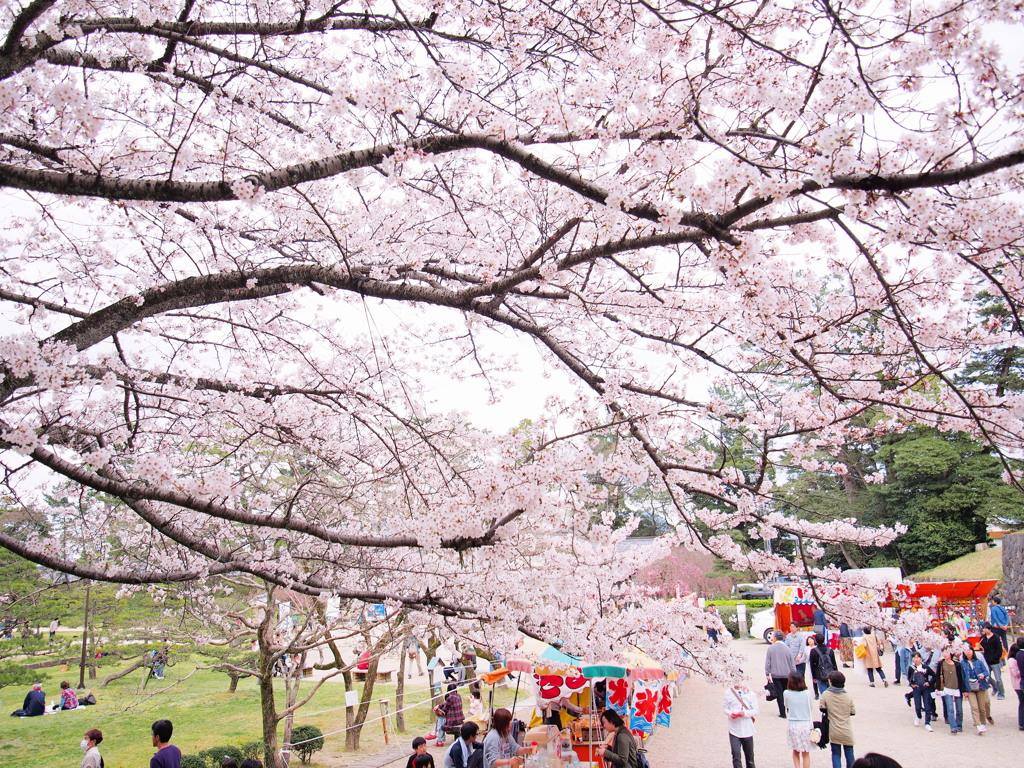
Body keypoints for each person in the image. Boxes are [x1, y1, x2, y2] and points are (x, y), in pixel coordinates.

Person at [820, 670, 856, 768]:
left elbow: (822, 708)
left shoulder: (826, 694)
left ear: (831, 682)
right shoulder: (848, 696)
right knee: (849, 753)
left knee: (836, 753)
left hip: (833, 728)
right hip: (846, 729)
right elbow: (852, 712)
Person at [723, 678, 758, 768]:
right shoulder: (728, 693)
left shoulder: (749, 693)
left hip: (747, 728)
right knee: (736, 755)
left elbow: (756, 710)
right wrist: (731, 714)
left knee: (749, 757)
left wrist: (745, 713)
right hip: (734, 728)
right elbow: (725, 708)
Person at [960, 644, 992, 734]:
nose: (968, 652)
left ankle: (983, 723)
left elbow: (986, 671)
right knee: (974, 707)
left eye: (970, 650)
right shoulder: (962, 664)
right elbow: (962, 677)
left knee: (982, 707)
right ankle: (978, 725)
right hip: (969, 687)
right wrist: (964, 690)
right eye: (966, 651)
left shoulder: (978, 662)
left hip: (980, 686)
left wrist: (983, 675)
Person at [784, 672, 813, 768]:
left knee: (795, 750)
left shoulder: (786, 693)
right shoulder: (807, 693)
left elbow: (786, 706)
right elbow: (811, 708)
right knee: (805, 752)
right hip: (805, 723)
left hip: (793, 724)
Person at [765, 629, 797, 718]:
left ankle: (782, 713)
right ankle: (789, 710)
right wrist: (794, 672)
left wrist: (767, 673)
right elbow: (792, 662)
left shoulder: (771, 648)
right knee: (788, 692)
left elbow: (768, 662)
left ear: (775, 637)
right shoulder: (787, 648)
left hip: (776, 674)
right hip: (787, 674)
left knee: (779, 693)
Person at [936, 648, 965, 734]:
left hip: (957, 688)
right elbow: (938, 676)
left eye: (947, 652)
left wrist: (963, 690)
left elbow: (961, 678)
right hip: (947, 688)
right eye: (944, 652)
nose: (945, 654)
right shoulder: (941, 664)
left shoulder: (957, 665)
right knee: (950, 709)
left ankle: (959, 725)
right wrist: (938, 688)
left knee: (959, 709)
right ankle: (953, 727)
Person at [907, 651, 935, 731]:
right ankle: (918, 716)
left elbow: (934, 675)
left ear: (920, 658)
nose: (916, 659)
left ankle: (927, 722)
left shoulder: (925, 667)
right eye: (914, 657)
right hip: (917, 689)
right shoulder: (911, 668)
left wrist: (929, 683)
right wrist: (912, 684)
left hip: (925, 688)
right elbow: (909, 677)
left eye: (917, 657)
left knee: (927, 705)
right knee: (918, 705)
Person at [979, 623, 1005, 700]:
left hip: (995, 660)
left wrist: (996, 657)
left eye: (985, 628)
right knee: (987, 676)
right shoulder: (983, 637)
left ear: (989, 629)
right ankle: (995, 687)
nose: (984, 630)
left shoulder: (996, 637)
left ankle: (1001, 692)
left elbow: (999, 649)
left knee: (998, 678)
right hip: (986, 659)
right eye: (983, 628)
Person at [808, 633, 836, 699]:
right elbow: (834, 664)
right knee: (831, 693)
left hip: (819, 674)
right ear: (824, 640)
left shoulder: (813, 651)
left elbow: (812, 665)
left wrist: (814, 677)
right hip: (830, 673)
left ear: (816, 641)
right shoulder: (830, 651)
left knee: (824, 694)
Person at [1007, 639, 1022, 731]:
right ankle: (1021, 723)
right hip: (1018, 684)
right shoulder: (1012, 661)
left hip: (1019, 683)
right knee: (1022, 703)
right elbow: (1016, 673)